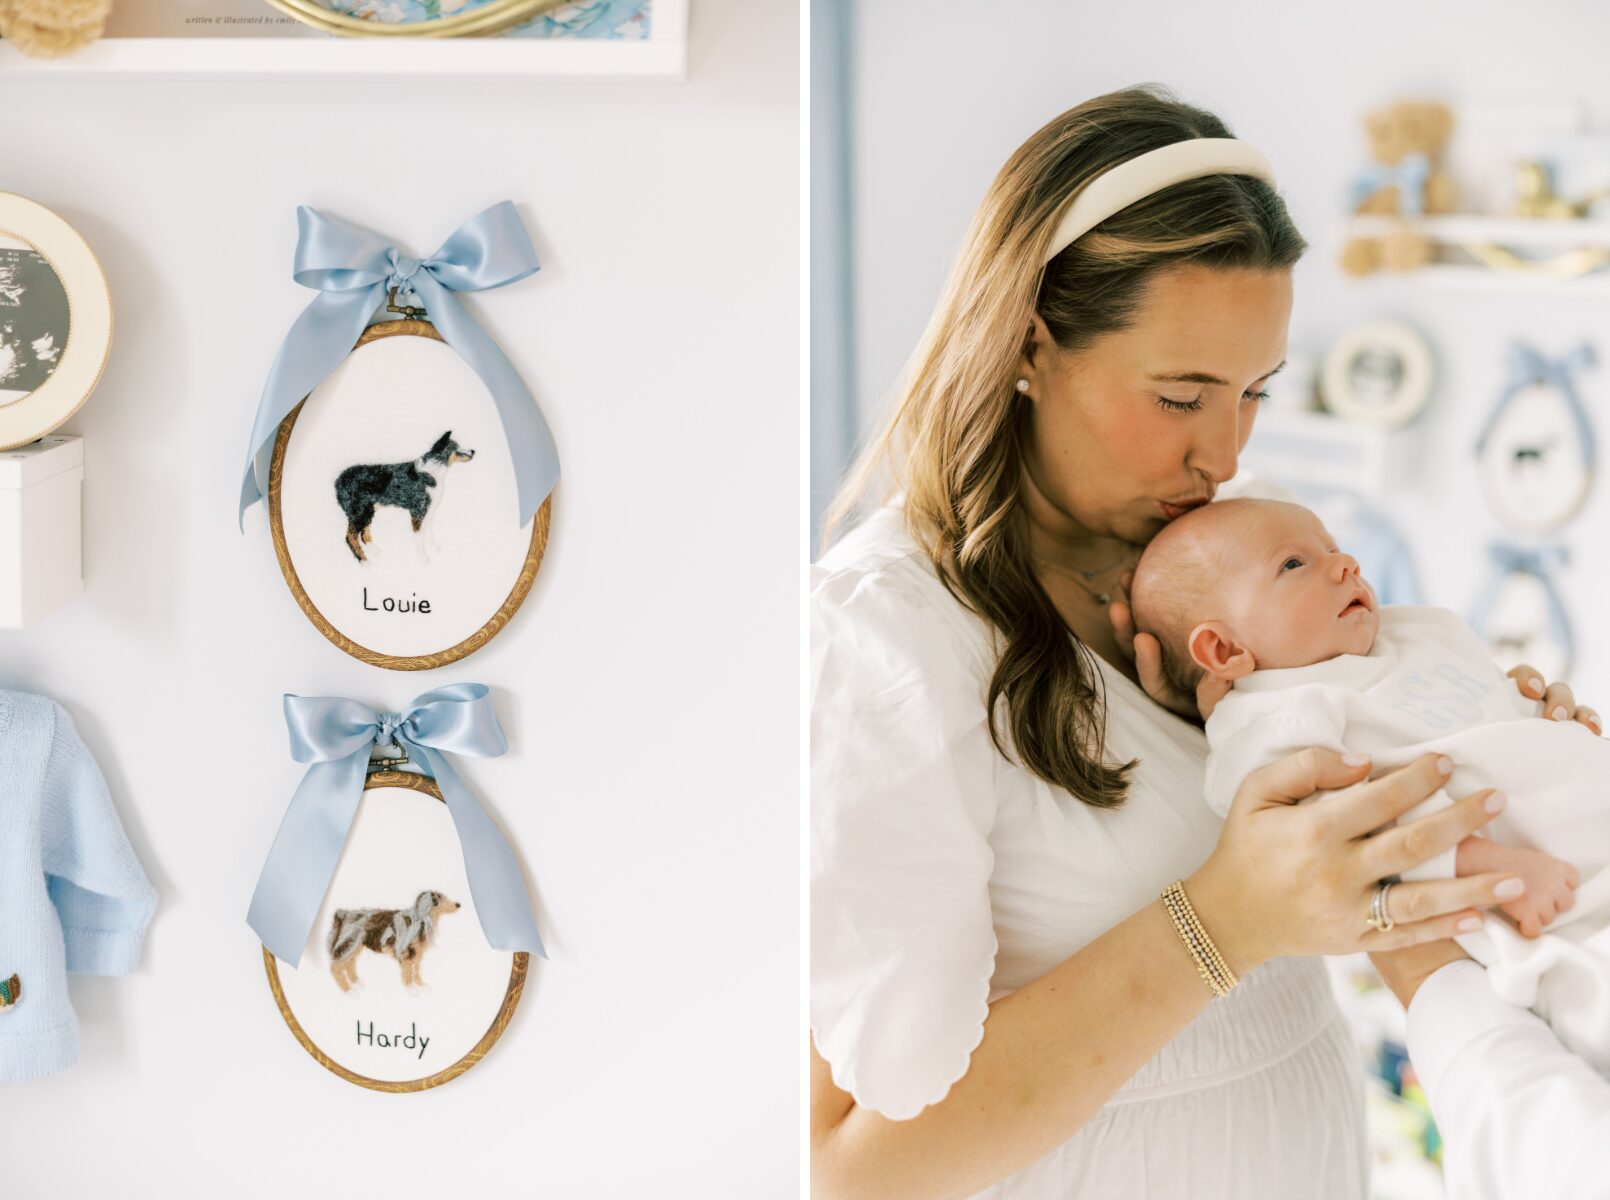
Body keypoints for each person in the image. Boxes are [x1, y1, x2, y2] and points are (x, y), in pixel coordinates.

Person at [810, 86, 1589, 1200]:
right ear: (1027, 342)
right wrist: (1222, 921)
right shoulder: (881, 640)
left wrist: (1481, 747)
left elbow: (1340, 820)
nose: (1222, 454)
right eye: (1180, 396)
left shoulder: (1215, 553)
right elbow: (843, 1167)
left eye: (1254, 393)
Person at [1128, 496, 1610, 1067]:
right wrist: (1493, 868)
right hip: (1547, 895)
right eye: (1294, 565)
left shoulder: (1416, 632)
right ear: (1224, 649)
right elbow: (1345, 840)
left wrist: (1550, 723)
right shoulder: (1274, 719)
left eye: (1334, 548)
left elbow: (1502, 707)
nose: (1346, 563)